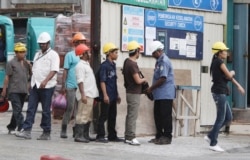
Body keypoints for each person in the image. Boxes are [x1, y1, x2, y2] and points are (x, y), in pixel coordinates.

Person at [16, 32, 60, 140]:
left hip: (47, 87)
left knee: (45, 110)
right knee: (31, 108)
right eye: (40, 44)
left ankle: (46, 132)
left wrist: (45, 81)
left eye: (43, 44)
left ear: (48, 43)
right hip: (35, 85)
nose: (41, 45)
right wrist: (30, 82)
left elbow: (54, 70)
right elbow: (34, 69)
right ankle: (27, 130)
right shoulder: (37, 54)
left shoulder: (53, 55)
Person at [204, 41, 245, 152]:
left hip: (221, 92)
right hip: (219, 93)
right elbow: (229, 76)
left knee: (228, 117)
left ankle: (210, 136)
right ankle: (213, 143)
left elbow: (225, 78)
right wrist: (237, 83)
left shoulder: (217, 62)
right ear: (219, 52)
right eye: (224, 51)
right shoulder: (219, 62)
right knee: (221, 118)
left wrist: (230, 74)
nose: (226, 53)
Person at [146, 40, 176, 145]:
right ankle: (159, 135)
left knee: (165, 115)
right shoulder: (159, 61)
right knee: (157, 115)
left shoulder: (164, 61)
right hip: (159, 94)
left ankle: (167, 136)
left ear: (159, 51)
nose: (153, 55)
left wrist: (151, 88)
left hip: (165, 94)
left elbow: (163, 78)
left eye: (154, 53)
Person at [60, 32, 86, 138]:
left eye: (83, 42)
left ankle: (77, 130)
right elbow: (65, 70)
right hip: (71, 85)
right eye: (81, 42)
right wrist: (63, 85)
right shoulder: (70, 55)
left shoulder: (84, 55)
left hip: (81, 86)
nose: (82, 44)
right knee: (70, 107)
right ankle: (64, 129)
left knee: (79, 109)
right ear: (75, 43)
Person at [1, 42, 31, 134]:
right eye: (20, 52)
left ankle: (11, 126)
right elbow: (7, 77)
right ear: (16, 53)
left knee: (17, 110)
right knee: (17, 110)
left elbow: (31, 75)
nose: (23, 54)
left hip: (23, 90)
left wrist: (30, 66)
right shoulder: (11, 63)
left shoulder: (26, 63)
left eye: (24, 52)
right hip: (14, 90)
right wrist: (4, 90)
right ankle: (22, 127)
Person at [95, 42, 122, 143]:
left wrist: (117, 95)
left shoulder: (113, 65)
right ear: (109, 53)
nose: (117, 54)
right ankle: (100, 135)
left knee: (112, 116)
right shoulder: (104, 66)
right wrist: (105, 95)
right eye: (115, 52)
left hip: (113, 95)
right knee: (104, 116)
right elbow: (102, 81)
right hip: (107, 96)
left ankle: (112, 135)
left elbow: (113, 81)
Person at [122, 41, 147, 146]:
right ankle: (131, 137)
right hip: (134, 93)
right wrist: (144, 79)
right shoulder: (133, 64)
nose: (139, 53)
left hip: (129, 92)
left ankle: (127, 136)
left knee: (129, 115)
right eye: (139, 51)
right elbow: (137, 80)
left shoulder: (126, 62)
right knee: (133, 115)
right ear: (136, 51)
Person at [74, 44, 99, 143]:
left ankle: (85, 134)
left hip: (90, 94)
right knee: (82, 115)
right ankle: (79, 135)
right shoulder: (80, 66)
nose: (89, 54)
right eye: (87, 52)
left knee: (88, 116)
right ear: (82, 54)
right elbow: (80, 81)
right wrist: (83, 94)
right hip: (86, 94)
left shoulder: (86, 64)